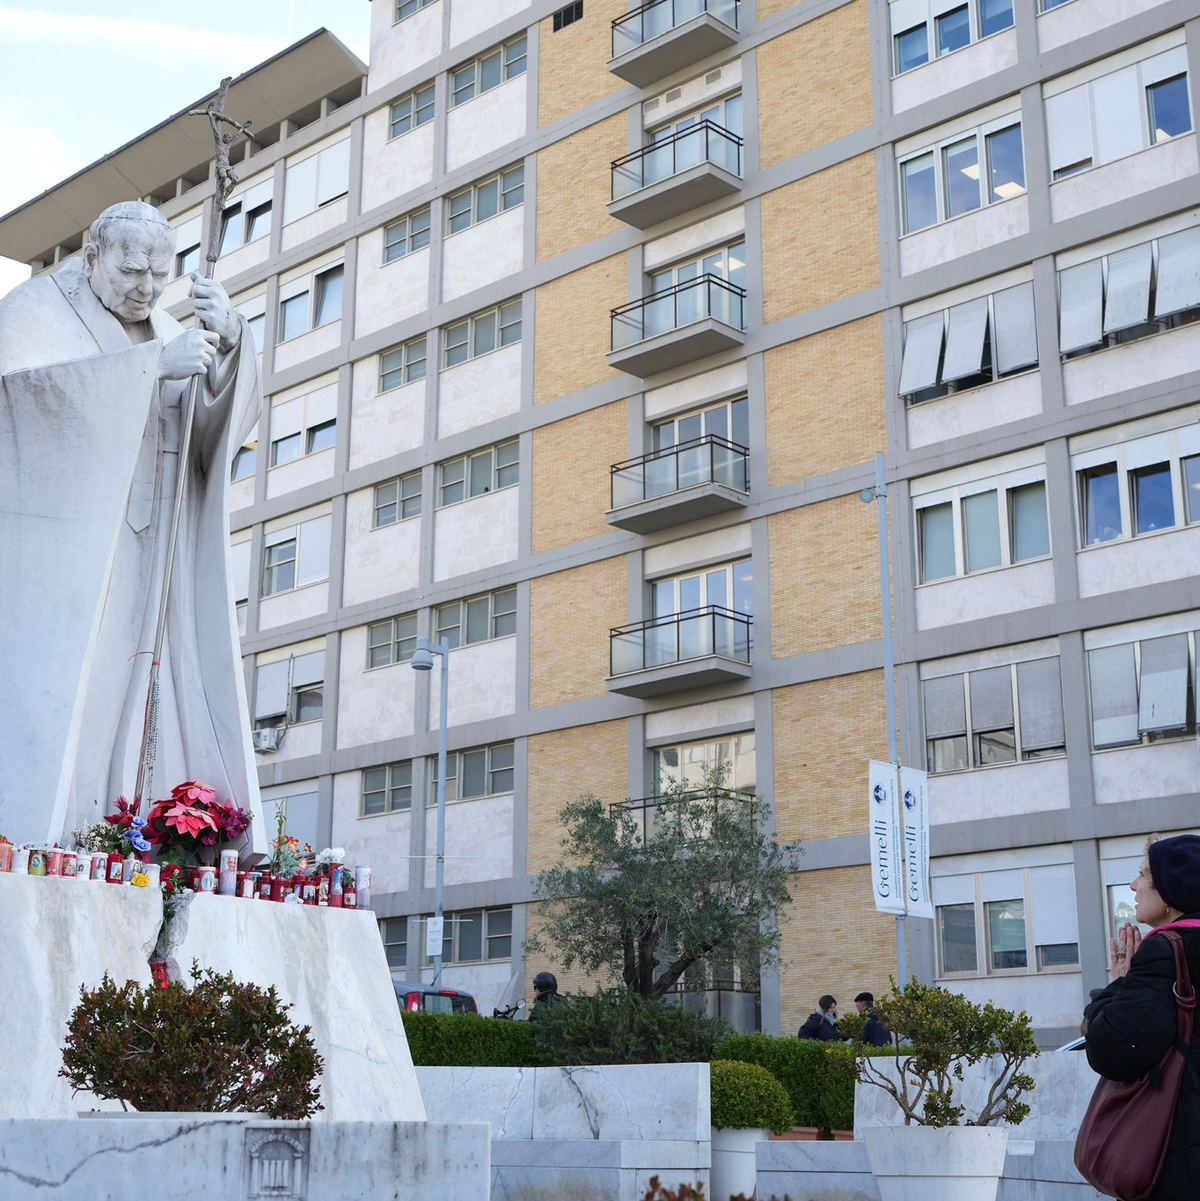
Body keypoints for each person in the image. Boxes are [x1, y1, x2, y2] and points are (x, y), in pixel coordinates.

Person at [0, 201, 263, 848]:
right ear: (91, 258)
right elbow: (24, 403)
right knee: (79, 694)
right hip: (77, 550)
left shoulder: (168, 325)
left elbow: (208, 437)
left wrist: (229, 348)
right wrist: (149, 370)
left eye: (158, 272)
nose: (145, 287)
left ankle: (130, 833)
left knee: (150, 698)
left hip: (157, 546)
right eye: (130, 270)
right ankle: (56, 835)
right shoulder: (33, 310)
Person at [1082, 834, 1200, 1200]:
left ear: (1171, 890)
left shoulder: (1166, 954)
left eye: (1144, 874)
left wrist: (1118, 985)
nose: (1134, 885)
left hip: (1180, 1160)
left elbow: (1109, 1050)